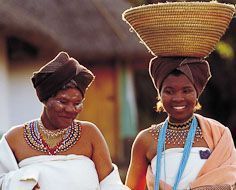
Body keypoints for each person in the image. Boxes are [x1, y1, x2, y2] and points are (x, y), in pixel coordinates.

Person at [0, 51, 130, 190]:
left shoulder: (90, 134)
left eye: (77, 103)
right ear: (45, 99)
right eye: (62, 101)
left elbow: (111, 185)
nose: (70, 109)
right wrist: (22, 182)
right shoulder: (15, 139)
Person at [125, 57, 236, 190]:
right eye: (169, 91)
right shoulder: (146, 140)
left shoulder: (218, 134)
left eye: (186, 90)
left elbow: (231, 180)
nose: (178, 98)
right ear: (160, 95)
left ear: (197, 94)